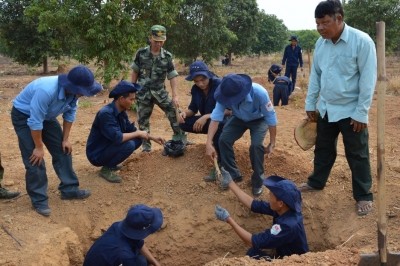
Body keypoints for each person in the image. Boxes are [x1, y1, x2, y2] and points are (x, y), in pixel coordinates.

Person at [298, 0, 377, 216]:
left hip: (352, 111)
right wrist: (310, 102)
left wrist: (362, 112)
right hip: (326, 109)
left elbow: (368, 80)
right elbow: (316, 75)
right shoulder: (320, 44)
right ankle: (316, 182)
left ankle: (363, 195)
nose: (320, 28)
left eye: (325, 23)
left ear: (339, 18)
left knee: (357, 153)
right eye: (317, 24)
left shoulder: (362, 42)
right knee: (323, 148)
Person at [11, 65, 101, 216]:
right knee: (35, 158)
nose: (85, 95)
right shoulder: (46, 91)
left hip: (46, 117)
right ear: (73, 87)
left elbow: (70, 114)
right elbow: (35, 121)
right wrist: (39, 147)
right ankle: (39, 200)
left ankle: (69, 189)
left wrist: (65, 139)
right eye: (84, 91)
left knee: (64, 149)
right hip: (25, 116)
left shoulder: (74, 95)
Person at [205, 74, 277, 197]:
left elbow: (271, 117)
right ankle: (233, 173)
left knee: (256, 145)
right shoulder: (224, 94)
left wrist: (272, 143)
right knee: (223, 140)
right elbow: (215, 118)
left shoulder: (260, 93)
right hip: (238, 118)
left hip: (259, 119)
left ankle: (258, 181)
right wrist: (208, 143)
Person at [214, 169, 309, 260]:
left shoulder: (288, 226)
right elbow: (254, 205)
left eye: (271, 195)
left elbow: (253, 242)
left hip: (293, 263)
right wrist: (230, 182)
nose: (269, 197)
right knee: (252, 254)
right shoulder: (284, 209)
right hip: (284, 257)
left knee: (252, 255)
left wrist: (229, 219)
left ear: (280, 203)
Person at [86, 80, 166, 183]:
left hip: (108, 146)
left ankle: (111, 163)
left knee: (138, 139)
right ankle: (107, 168)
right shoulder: (106, 114)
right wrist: (138, 133)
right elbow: (118, 138)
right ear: (121, 99)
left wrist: (153, 138)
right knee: (129, 144)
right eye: (131, 100)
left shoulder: (121, 111)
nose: (133, 102)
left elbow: (132, 130)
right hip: (97, 154)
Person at [131, 25, 183, 153]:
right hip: (143, 93)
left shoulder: (167, 56)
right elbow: (135, 71)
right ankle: (146, 147)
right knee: (143, 121)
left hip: (160, 92)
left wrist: (175, 95)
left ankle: (180, 140)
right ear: (150, 38)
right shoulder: (141, 53)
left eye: (161, 41)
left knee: (175, 113)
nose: (158, 44)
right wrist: (132, 89)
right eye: (156, 41)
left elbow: (172, 76)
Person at [178, 61, 230, 179]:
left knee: (217, 124)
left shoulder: (219, 85)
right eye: (196, 81)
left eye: (203, 80)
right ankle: (214, 136)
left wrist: (206, 116)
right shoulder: (195, 89)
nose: (200, 84)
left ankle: (222, 164)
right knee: (183, 123)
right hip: (208, 122)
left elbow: (229, 111)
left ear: (208, 75)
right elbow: (193, 109)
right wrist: (184, 114)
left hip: (224, 121)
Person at [83, 204, 163, 266]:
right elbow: (124, 256)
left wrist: (156, 263)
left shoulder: (118, 226)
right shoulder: (124, 256)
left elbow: (139, 243)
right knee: (141, 262)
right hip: (119, 258)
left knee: (141, 260)